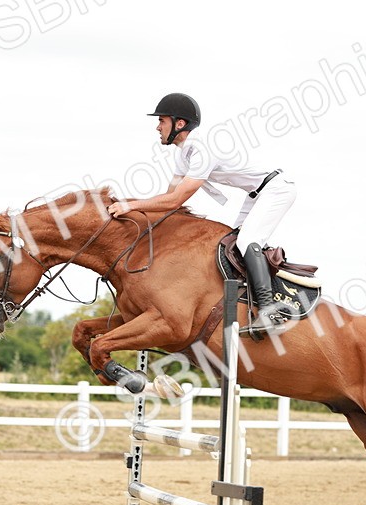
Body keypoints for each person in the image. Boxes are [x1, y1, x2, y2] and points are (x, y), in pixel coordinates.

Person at [106, 93, 297, 334]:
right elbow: (169, 198)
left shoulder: (201, 148)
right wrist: (139, 218)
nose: (157, 127)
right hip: (257, 193)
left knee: (248, 241)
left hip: (277, 189)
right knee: (234, 243)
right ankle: (249, 300)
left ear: (180, 123)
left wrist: (130, 206)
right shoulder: (183, 154)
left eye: (162, 121)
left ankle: (270, 311)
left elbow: (176, 200)